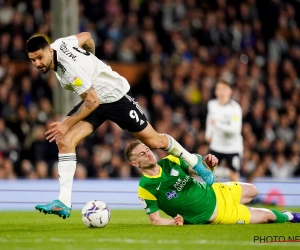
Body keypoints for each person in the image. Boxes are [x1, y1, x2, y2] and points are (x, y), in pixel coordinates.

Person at [25, 32, 214, 219]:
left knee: (155, 141)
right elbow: (88, 36)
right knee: (65, 140)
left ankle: (194, 162)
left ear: (49, 50)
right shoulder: (61, 43)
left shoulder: (69, 67)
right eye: (33, 60)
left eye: (40, 57)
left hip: (114, 98)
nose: (37, 63)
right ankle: (64, 202)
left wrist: (66, 123)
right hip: (94, 99)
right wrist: (91, 60)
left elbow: (92, 101)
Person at [124, 140, 300, 225]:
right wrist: (172, 222)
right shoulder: (145, 187)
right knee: (268, 216)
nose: (148, 153)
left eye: (147, 149)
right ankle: (289, 216)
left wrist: (209, 164)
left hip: (216, 191)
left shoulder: (171, 161)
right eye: (141, 154)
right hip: (216, 214)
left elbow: (199, 170)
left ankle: (263, 208)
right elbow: (155, 220)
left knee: (253, 190)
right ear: (135, 164)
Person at [205, 79, 243, 181]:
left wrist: (217, 125)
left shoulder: (235, 108)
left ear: (230, 91)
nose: (221, 92)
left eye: (224, 89)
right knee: (208, 170)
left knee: (234, 175)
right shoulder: (212, 104)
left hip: (232, 147)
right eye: (219, 89)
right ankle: (210, 195)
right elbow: (210, 118)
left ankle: (235, 196)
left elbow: (235, 130)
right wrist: (208, 133)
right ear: (215, 92)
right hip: (216, 145)